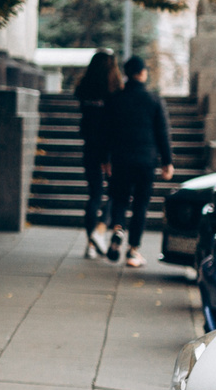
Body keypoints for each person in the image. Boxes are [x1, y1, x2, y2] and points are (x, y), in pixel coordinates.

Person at [105, 54, 173, 269]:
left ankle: (118, 228)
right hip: (146, 160)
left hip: (120, 159)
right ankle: (133, 251)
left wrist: (105, 159)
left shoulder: (115, 99)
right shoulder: (154, 100)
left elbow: (106, 132)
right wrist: (167, 162)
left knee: (120, 199)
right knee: (141, 205)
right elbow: (162, 133)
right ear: (143, 73)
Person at [73, 50, 119, 260]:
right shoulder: (114, 90)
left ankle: (90, 245)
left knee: (94, 194)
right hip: (109, 149)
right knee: (116, 193)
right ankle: (100, 230)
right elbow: (110, 126)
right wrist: (107, 157)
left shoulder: (85, 88)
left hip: (90, 148)